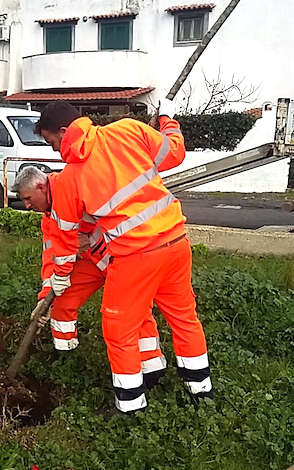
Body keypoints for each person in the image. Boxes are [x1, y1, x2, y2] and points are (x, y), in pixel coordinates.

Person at [35, 101, 214, 414]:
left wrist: (60, 278)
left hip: (136, 255)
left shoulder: (70, 177)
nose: (54, 150)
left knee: (119, 328)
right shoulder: (128, 130)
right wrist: (167, 118)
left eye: (52, 142)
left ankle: (131, 405)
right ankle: (201, 391)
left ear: (65, 131)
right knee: (184, 316)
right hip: (175, 241)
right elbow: (174, 153)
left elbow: (63, 241)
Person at [11, 166, 168, 389]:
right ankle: (65, 354)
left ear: (41, 187)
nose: (27, 205)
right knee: (61, 299)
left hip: (119, 257)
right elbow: (50, 258)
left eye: (28, 198)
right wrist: (45, 298)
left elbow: (113, 212)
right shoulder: (48, 219)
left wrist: (86, 237)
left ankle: (152, 367)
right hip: (89, 262)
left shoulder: (73, 186)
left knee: (132, 310)